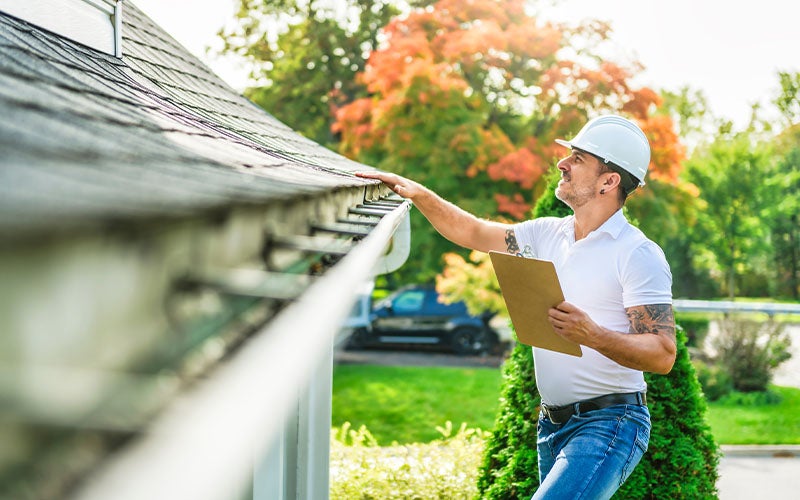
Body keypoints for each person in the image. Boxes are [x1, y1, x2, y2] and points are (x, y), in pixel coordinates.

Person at [357, 114, 676, 499]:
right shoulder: (546, 234)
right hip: (552, 425)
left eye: (578, 158)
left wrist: (591, 334)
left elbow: (662, 354)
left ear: (610, 181)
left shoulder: (637, 254)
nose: (562, 163)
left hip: (611, 422)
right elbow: (473, 231)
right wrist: (419, 194)